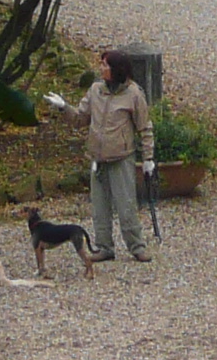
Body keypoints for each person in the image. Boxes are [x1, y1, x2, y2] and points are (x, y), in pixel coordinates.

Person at [43, 47, 153, 263]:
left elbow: (145, 128)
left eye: (105, 65)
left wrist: (148, 158)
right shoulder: (95, 90)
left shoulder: (134, 94)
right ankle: (104, 247)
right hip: (97, 157)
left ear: (117, 69)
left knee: (126, 206)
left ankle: (137, 246)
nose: (101, 68)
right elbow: (80, 119)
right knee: (100, 207)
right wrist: (64, 107)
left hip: (121, 157)